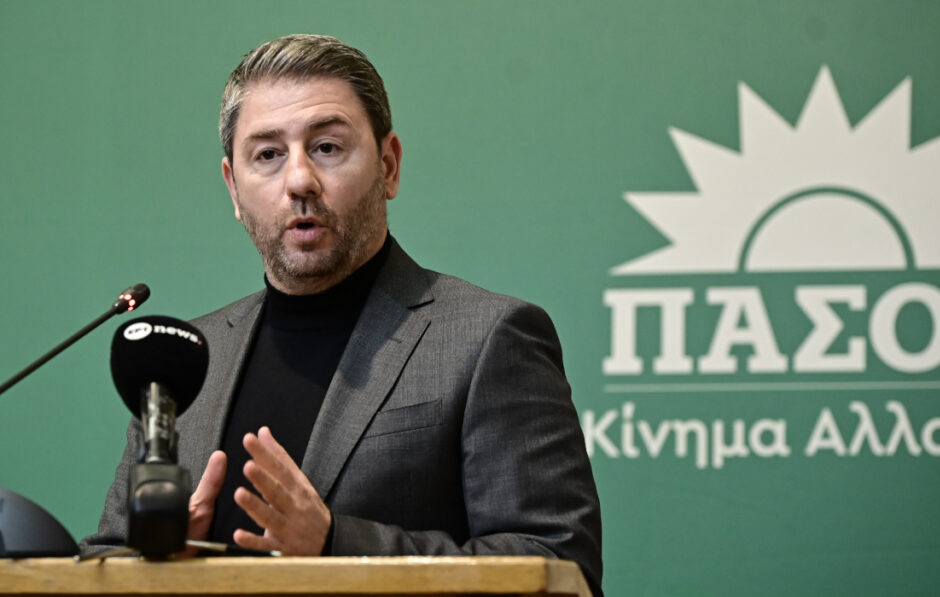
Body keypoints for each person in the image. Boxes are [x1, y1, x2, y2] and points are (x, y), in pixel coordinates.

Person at [83, 34, 602, 595]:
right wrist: (152, 567)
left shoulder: (487, 338)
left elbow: (558, 565)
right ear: (233, 187)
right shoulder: (183, 363)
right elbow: (101, 560)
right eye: (268, 155)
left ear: (389, 165)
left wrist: (336, 544)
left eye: (327, 147)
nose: (299, 180)